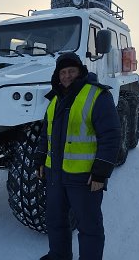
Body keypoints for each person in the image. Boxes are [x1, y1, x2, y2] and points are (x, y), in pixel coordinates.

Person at [34, 52, 121, 260]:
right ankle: (58, 255)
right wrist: (39, 159)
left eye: (71, 71)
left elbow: (111, 136)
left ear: (80, 71)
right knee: (56, 221)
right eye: (62, 72)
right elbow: (46, 133)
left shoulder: (97, 96)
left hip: (84, 178)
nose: (67, 76)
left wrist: (101, 173)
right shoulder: (55, 98)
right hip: (55, 175)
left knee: (89, 226)